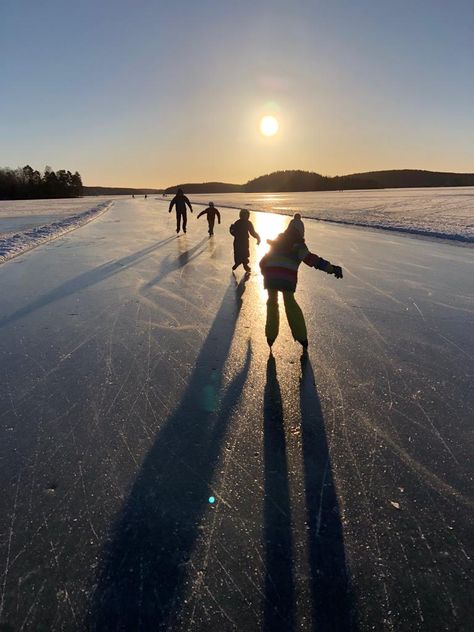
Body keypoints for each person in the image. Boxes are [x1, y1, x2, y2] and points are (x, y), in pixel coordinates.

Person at [259, 213, 343, 350]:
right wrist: (332, 269)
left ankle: (270, 336)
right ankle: (301, 337)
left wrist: (266, 273)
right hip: (286, 277)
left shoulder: (277, 240)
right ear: (301, 232)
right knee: (290, 304)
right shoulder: (299, 245)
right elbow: (313, 260)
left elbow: (263, 260)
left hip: (270, 274)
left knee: (272, 303)